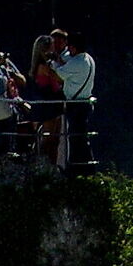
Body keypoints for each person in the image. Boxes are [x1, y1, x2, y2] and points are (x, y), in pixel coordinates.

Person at [47, 26, 96, 169]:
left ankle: (77, 166)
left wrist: (50, 65)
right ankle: (85, 166)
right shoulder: (87, 59)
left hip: (75, 104)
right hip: (84, 102)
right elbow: (68, 69)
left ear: (73, 47)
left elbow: (58, 76)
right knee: (81, 136)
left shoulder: (76, 62)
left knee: (75, 138)